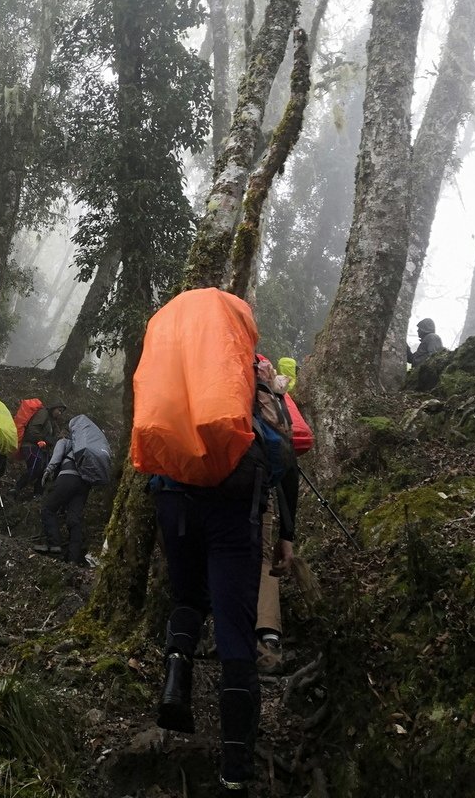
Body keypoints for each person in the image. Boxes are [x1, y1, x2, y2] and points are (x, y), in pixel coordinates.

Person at [137, 291, 265, 798]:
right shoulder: (244, 369)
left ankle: (175, 685)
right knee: (236, 627)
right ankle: (235, 769)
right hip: (233, 508)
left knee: (187, 599)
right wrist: (289, 535)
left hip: (174, 499)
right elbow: (284, 449)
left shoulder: (169, 353)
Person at [255, 356, 313, 674]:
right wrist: (287, 535)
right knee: (263, 562)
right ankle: (268, 642)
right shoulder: (270, 393)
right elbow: (288, 462)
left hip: (210, 493)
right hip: (259, 493)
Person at [33, 414, 111, 565]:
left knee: (48, 509)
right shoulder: (83, 447)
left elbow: (56, 458)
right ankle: (73, 559)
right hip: (84, 484)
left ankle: (54, 545)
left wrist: (47, 471)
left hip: (67, 478)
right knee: (74, 519)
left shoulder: (65, 442)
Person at [14, 401, 66, 496]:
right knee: (36, 469)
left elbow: (54, 437)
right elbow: (32, 430)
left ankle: (37, 497)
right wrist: (44, 440)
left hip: (41, 449)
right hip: (31, 445)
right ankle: (16, 489)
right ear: (53, 407)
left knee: (43, 472)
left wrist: (58, 438)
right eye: (59, 410)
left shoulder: (52, 422)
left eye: (62, 412)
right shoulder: (43, 413)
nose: (60, 413)